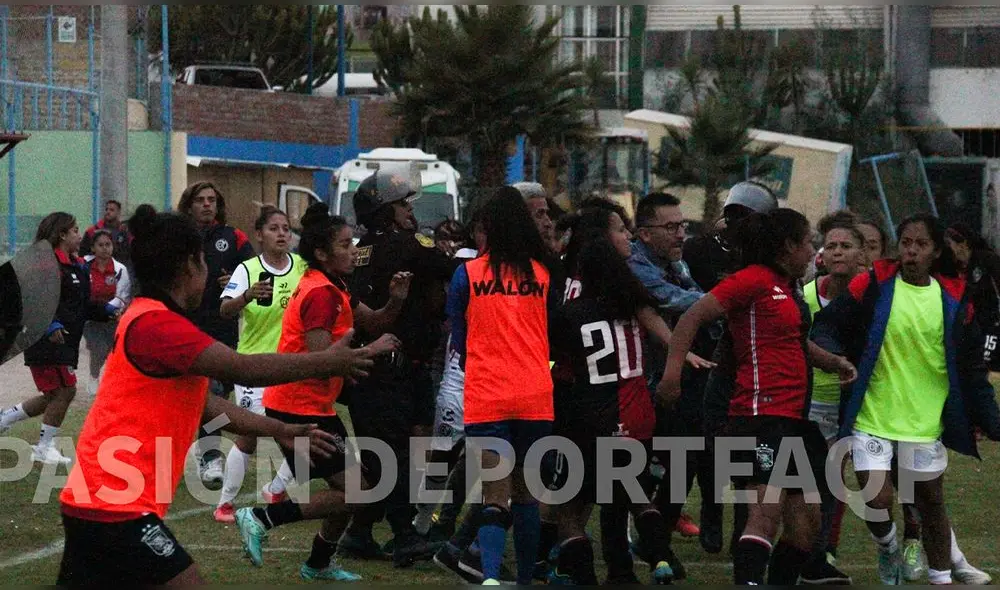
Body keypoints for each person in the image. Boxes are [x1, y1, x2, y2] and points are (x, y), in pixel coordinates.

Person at [55, 207, 380, 586]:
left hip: (97, 501)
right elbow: (242, 368)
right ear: (189, 266)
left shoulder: (149, 316)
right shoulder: (157, 324)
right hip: (113, 505)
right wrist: (326, 361)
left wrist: (279, 428)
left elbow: (210, 407)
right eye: (204, 263)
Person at [664, 208, 858, 585]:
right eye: (807, 243)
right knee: (765, 513)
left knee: (807, 524)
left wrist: (834, 362)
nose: (812, 250)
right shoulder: (751, 280)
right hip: (759, 416)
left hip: (792, 420)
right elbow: (691, 318)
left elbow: (795, 343)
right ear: (787, 247)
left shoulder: (785, 287)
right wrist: (673, 374)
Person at [813, 213, 1000, 586]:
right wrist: (837, 358)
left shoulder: (955, 298)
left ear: (935, 252)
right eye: (906, 242)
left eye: (921, 244)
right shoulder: (875, 283)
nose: (911, 251)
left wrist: (992, 421)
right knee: (876, 497)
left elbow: (973, 368)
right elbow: (828, 325)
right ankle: (888, 548)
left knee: (930, 502)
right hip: (872, 413)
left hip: (924, 419)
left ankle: (942, 575)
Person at [234, 202, 415, 580]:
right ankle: (261, 516)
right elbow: (320, 360)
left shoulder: (336, 287)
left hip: (312, 407)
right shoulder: (321, 294)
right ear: (321, 253)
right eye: (346, 245)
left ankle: (317, 563)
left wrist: (396, 299)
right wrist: (371, 350)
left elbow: (376, 320)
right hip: (297, 409)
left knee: (354, 488)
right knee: (358, 490)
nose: (353, 251)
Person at [545, 205, 695, 585]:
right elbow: (655, 319)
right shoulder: (629, 299)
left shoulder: (571, 303)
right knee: (629, 492)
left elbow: (555, 354)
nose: (627, 236)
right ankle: (653, 559)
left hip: (589, 409)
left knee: (572, 503)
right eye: (621, 230)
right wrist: (682, 355)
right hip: (635, 405)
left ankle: (583, 573)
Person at [339, 170, 457, 564]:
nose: (410, 208)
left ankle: (359, 531)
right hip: (391, 366)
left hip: (385, 365)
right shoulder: (406, 245)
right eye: (402, 204)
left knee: (388, 452)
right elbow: (451, 268)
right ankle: (406, 534)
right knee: (394, 453)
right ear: (384, 212)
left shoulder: (361, 249)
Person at [447, 186, 556, 586]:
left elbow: (458, 337)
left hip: (488, 395)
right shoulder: (541, 273)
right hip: (535, 396)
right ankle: (525, 578)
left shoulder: (469, 274)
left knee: (495, 494)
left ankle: (491, 576)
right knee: (527, 494)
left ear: (488, 227)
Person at [627, 192, 721, 559]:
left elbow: (694, 297)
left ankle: (655, 541)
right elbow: (673, 299)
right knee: (636, 465)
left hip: (667, 375)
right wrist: (728, 301)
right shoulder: (637, 265)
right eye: (671, 227)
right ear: (645, 234)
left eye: (682, 225)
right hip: (639, 380)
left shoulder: (675, 262)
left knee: (683, 457)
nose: (681, 234)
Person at [213, 206, 307, 523]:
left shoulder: (303, 269)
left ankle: (276, 489)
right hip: (253, 367)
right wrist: (247, 296)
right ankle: (224, 504)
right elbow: (225, 310)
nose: (282, 233)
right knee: (251, 434)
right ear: (259, 235)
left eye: (286, 228)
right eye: (274, 228)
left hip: (292, 367)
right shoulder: (248, 269)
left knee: (305, 430)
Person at [0, 213, 117, 465]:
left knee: (54, 395)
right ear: (62, 234)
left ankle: (4, 419)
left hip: (66, 341)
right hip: (44, 340)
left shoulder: (77, 265)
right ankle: (43, 447)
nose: (79, 234)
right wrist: (50, 323)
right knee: (65, 391)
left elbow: (82, 305)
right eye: (75, 230)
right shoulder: (45, 264)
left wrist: (107, 311)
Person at [797, 211, 867, 585]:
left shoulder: (873, 296)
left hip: (861, 402)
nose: (837, 252)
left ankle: (825, 548)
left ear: (862, 254)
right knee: (811, 480)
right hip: (811, 400)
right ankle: (811, 550)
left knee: (841, 482)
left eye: (846, 246)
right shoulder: (806, 295)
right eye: (831, 246)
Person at [178, 181, 256, 490]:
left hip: (222, 329)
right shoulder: (179, 237)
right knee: (184, 397)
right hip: (185, 326)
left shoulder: (233, 237)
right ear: (190, 205)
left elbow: (253, 270)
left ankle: (210, 456)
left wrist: (235, 280)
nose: (207, 205)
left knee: (217, 395)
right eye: (201, 200)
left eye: (212, 199)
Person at [81, 229, 132, 397]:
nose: (105, 248)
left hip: (112, 317)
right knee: (98, 348)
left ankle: (112, 381)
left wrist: (108, 310)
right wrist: (95, 310)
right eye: (100, 245)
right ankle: (94, 376)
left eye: (108, 245)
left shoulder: (120, 269)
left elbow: (122, 295)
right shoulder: (84, 265)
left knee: (113, 350)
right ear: (93, 248)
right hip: (90, 318)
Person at [946, 223, 1000, 369]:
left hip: (993, 325)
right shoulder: (954, 269)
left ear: (962, 243)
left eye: (949, 244)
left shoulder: (987, 260)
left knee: (988, 365)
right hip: (972, 328)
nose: (947, 249)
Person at [80, 199, 129, 264]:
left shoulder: (124, 231)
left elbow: (127, 254)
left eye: (111, 210)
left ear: (119, 212)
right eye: (106, 209)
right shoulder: (92, 231)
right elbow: (82, 253)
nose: (108, 212)